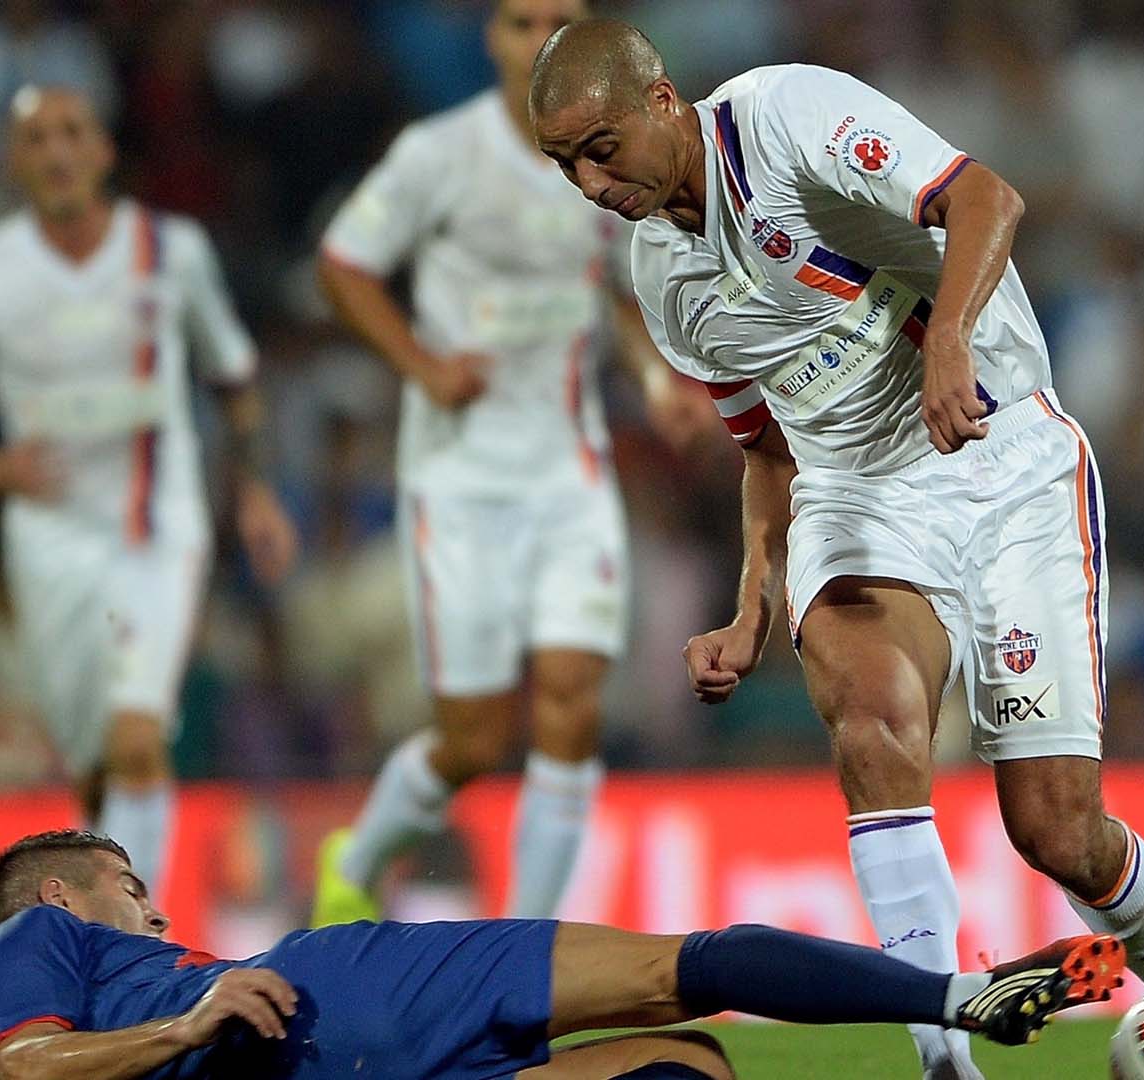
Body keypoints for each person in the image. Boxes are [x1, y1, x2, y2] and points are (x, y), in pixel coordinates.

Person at [527, 20, 1144, 1080]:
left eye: (600, 144)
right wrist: (750, 603)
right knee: (872, 717)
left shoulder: (785, 118)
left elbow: (987, 197)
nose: (591, 180)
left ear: (663, 101)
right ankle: (942, 1055)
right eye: (565, 163)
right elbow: (765, 450)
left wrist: (947, 338)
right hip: (858, 498)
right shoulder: (666, 282)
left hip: (1001, 454)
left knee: (1056, 831)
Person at [312, 0, 708, 927]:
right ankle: (359, 853)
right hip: (460, 482)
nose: (543, 39)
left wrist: (654, 379)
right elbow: (342, 264)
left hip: (568, 472)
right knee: (476, 738)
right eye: (523, 22)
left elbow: (615, 289)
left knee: (572, 707)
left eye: (561, 20)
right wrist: (421, 365)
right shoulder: (438, 154)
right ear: (490, 39)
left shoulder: (609, 158)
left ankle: (525, 949)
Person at [0, 85, 297, 899]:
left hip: (155, 527)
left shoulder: (170, 251)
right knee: (91, 764)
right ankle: (114, 905)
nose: (55, 151)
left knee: (136, 737)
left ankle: (136, 953)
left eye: (71, 133)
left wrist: (254, 490)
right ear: (15, 163)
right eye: (37, 138)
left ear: (103, 152)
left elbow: (234, 375)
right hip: (48, 540)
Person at [0, 829, 1126, 1080]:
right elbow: (22, 1067)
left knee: (695, 1066)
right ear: (69, 889)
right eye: (132, 883)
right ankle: (957, 994)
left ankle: (966, 994)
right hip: (342, 992)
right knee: (691, 962)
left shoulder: (160, 973)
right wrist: (188, 1020)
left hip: (321, 1032)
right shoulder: (40, 931)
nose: (153, 902)